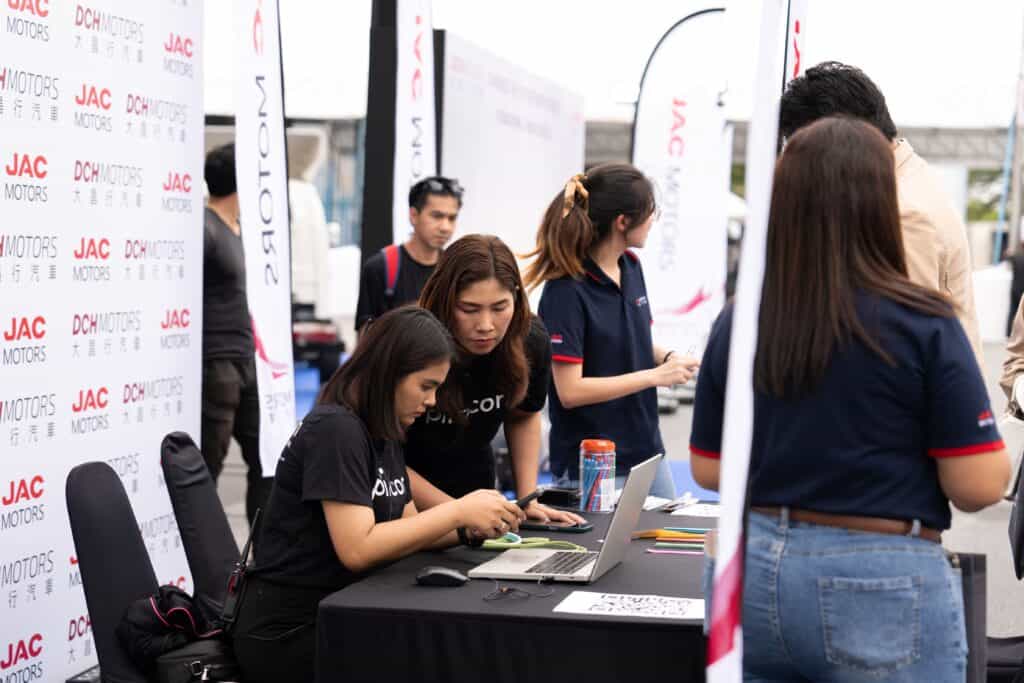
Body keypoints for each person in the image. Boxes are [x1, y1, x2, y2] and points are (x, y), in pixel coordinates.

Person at [690, 117, 1009, 682]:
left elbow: (710, 467)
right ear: (882, 205)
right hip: (883, 580)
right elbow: (979, 485)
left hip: (755, 572)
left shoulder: (741, 318)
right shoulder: (923, 322)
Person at [232, 307, 525, 683]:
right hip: (291, 632)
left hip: (342, 613)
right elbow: (358, 549)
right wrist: (458, 511)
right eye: (426, 386)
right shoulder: (335, 431)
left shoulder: (380, 432)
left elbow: (407, 527)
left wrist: (475, 528)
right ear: (389, 372)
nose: (432, 401)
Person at [780, 61, 985, 372]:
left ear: (838, 139)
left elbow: (901, 346)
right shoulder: (902, 183)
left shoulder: (900, 212)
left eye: (805, 152)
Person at [524, 163, 699, 500]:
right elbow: (570, 391)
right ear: (623, 222)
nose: (654, 221)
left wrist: (671, 358)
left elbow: (636, 342)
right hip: (594, 462)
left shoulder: (631, 267)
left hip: (648, 451)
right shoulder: (566, 290)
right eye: (651, 213)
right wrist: (655, 376)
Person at [405, 234, 583, 525]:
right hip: (405, 501)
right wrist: (458, 514)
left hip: (476, 489)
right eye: (469, 309)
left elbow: (523, 414)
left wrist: (528, 499)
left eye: (500, 308)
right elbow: (381, 459)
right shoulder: (410, 344)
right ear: (444, 302)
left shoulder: (530, 338)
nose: (486, 326)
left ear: (515, 296)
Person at [201, 143, 269, 527]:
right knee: (208, 463)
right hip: (217, 362)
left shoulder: (241, 229)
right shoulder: (205, 227)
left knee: (267, 457)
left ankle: (263, 553)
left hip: (249, 359)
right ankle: (204, 560)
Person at [354, 176, 463, 332]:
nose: (445, 227)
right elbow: (365, 336)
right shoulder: (380, 267)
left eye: (452, 218)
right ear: (413, 215)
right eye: (437, 216)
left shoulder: (455, 269)